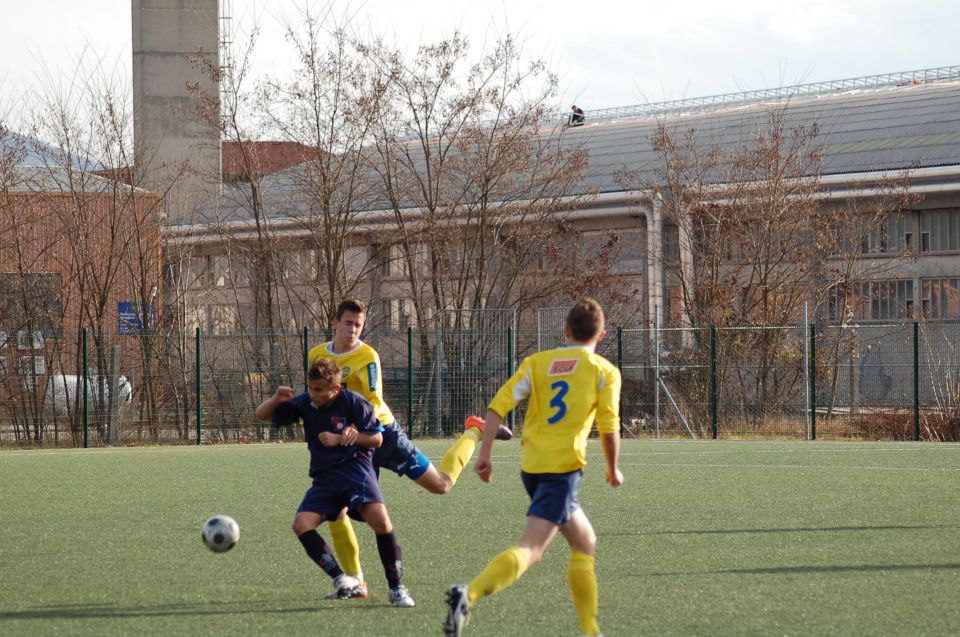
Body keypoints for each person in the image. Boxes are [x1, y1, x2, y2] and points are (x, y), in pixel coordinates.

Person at [307, 299, 513, 598]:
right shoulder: (317, 354)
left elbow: (375, 400)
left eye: (358, 325)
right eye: (348, 322)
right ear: (335, 322)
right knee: (338, 509)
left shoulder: (367, 355)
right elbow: (316, 395)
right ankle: (356, 583)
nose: (353, 329)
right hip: (351, 446)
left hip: (383, 434)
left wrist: (357, 423)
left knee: (441, 485)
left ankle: (474, 430)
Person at [443, 298, 623, 637]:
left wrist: (484, 455)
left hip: (533, 468)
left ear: (566, 330)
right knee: (531, 549)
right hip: (562, 470)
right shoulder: (604, 371)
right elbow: (610, 427)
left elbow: (498, 406)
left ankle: (591, 630)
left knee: (584, 541)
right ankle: (468, 595)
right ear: (601, 335)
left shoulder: (538, 363)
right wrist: (614, 468)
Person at [255, 357, 416, 607]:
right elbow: (261, 415)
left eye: (319, 389)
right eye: (311, 388)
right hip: (325, 478)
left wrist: (342, 438)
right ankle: (342, 579)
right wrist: (276, 398)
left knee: (381, 521)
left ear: (335, 388)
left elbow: (376, 440)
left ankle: (396, 588)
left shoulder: (353, 401)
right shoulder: (307, 403)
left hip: (356, 471)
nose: (313, 394)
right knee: (301, 524)